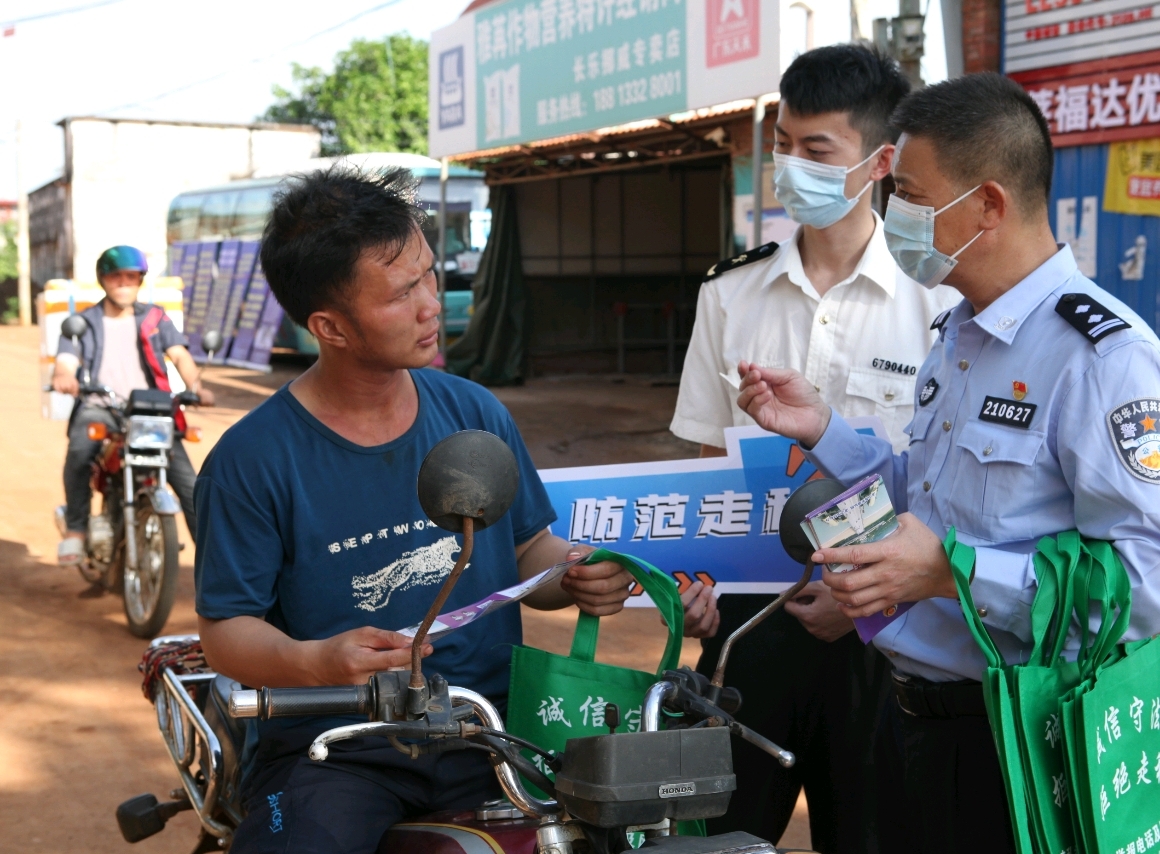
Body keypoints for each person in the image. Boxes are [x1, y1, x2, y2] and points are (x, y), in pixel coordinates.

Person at [736, 72, 1160, 854]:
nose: (894, 217)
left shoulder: (1104, 360)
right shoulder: (959, 332)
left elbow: (1145, 588)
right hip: (908, 724)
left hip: (1021, 740)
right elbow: (925, 497)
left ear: (989, 205)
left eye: (912, 197)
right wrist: (824, 428)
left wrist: (956, 572)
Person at [193, 167, 634, 854]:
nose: (433, 303)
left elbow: (527, 552)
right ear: (329, 327)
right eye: (404, 293)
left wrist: (573, 575)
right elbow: (227, 632)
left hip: (491, 733)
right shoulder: (253, 459)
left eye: (430, 276)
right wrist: (318, 662)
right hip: (336, 750)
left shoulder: (473, 412)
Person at [669, 44, 958, 851]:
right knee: (724, 833)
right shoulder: (729, 292)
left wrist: (871, 597)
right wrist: (698, 586)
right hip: (747, 629)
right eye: (784, 145)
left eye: (816, 150)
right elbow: (704, 463)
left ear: (879, 162)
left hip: (888, 631)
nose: (790, 166)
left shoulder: (938, 299)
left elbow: (942, 485)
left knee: (870, 832)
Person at [53, 245, 212, 567]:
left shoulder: (155, 318)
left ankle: (214, 559)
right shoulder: (83, 321)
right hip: (101, 406)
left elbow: (179, 354)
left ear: (140, 280)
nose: (124, 283)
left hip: (151, 411)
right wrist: (63, 375)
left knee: (189, 482)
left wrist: (197, 387)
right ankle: (76, 529)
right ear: (103, 280)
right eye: (116, 277)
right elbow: (66, 360)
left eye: (131, 276)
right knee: (80, 452)